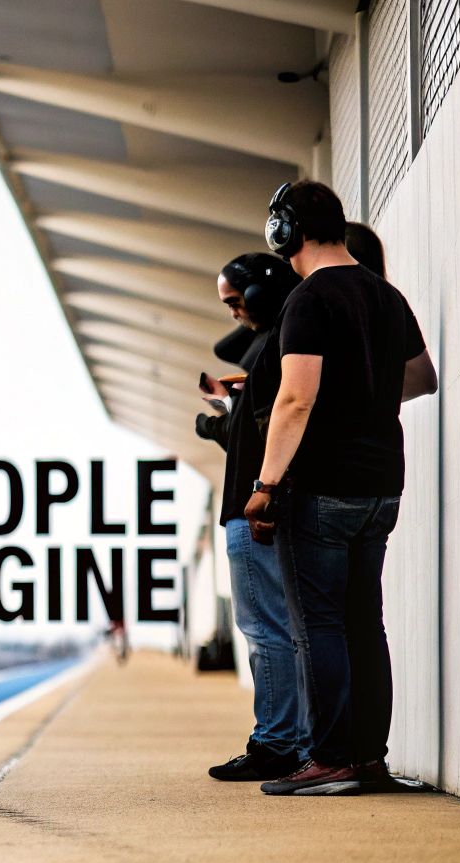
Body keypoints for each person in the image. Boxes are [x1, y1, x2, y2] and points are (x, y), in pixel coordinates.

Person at [244, 182, 438, 796]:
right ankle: (369, 759)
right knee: (364, 625)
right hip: (382, 486)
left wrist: (265, 484)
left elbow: (295, 399)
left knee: (319, 627)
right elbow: (422, 378)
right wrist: (365, 391)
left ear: (286, 233)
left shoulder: (309, 299)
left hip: (323, 488)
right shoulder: (387, 295)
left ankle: (329, 759)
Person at [197, 253, 306, 782]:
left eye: (236, 301)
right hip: (260, 505)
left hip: (252, 508)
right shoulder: (276, 346)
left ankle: (276, 742)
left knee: (266, 632)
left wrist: (225, 420)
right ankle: (295, 740)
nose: (234, 312)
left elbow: (267, 434)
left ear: (262, 292)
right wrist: (228, 413)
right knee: (283, 630)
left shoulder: (272, 348)